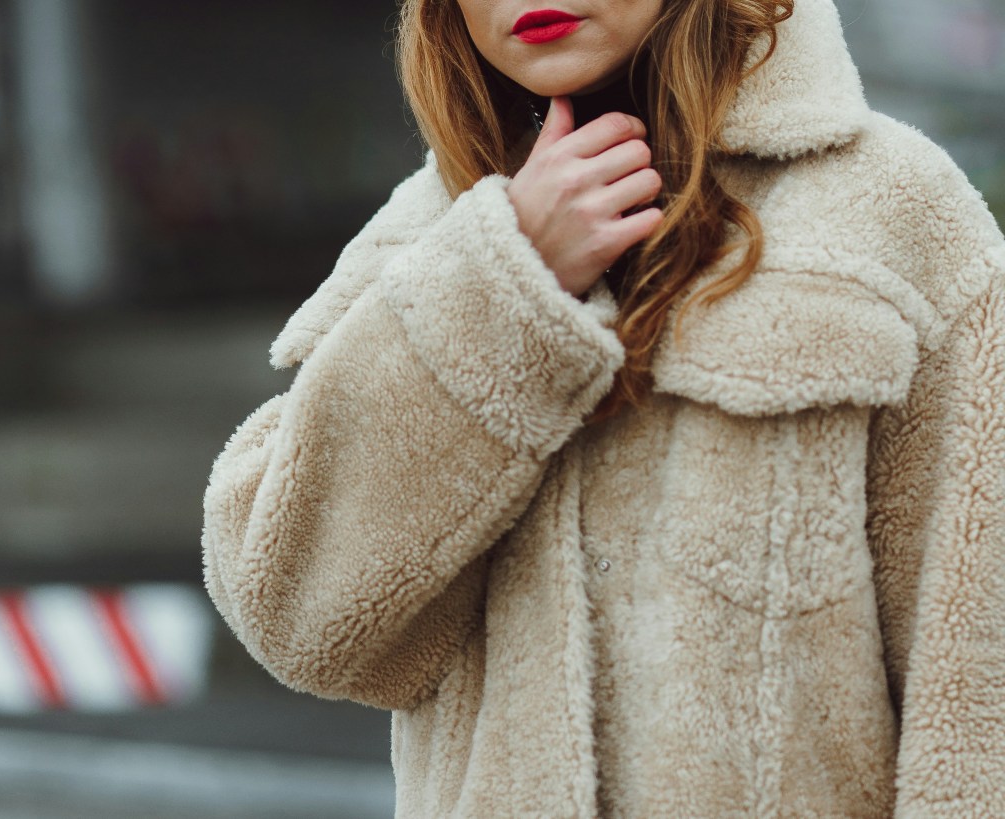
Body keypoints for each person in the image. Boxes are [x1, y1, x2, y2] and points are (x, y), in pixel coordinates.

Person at [201, 0, 1005, 814]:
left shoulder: (894, 216)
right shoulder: (419, 245)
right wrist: (504, 283)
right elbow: (303, 627)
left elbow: (977, 693)